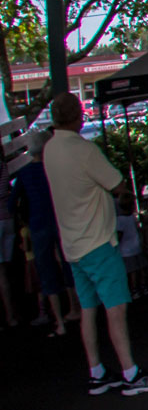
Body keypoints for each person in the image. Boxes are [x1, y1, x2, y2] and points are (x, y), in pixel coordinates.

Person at [44, 96, 148, 396]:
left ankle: (97, 371)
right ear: (78, 118)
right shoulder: (84, 150)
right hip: (97, 240)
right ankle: (130, 372)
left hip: (72, 243)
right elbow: (117, 185)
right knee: (116, 308)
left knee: (88, 309)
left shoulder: (50, 148)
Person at [7, 139, 71, 337]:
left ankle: (58, 321)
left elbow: (12, 202)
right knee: (67, 264)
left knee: (46, 270)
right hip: (58, 220)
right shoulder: (54, 169)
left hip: (37, 224)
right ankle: (76, 308)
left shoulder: (24, 173)